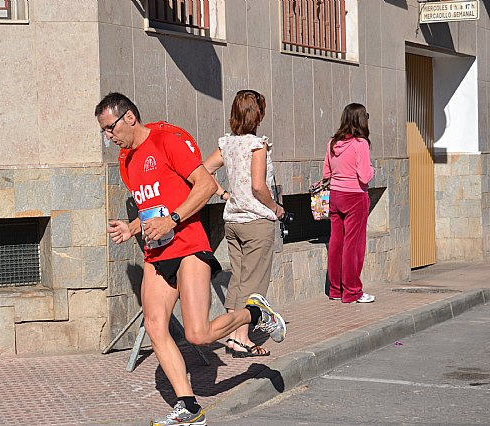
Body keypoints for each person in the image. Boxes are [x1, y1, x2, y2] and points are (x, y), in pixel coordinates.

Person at [95, 92, 286, 426]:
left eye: (110, 128)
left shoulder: (168, 138)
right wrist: (132, 227)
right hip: (157, 251)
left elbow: (206, 185)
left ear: (128, 117)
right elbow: (153, 206)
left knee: (197, 334)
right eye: (103, 132)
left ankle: (255, 314)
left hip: (187, 245)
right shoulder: (126, 161)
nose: (108, 137)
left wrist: (172, 220)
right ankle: (189, 407)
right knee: (156, 325)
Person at [203, 89, 284, 358]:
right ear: (257, 114)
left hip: (233, 221)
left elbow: (203, 170)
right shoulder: (257, 144)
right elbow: (259, 186)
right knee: (254, 284)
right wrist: (276, 208)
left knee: (238, 280)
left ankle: (232, 336)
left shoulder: (227, 144)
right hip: (256, 221)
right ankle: (241, 338)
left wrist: (224, 194)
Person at [323, 103, 375, 304]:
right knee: (354, 245)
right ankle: (352, 291)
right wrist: (372, 170)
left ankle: (335, 289)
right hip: (355, 197)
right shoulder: (360, 144)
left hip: (335, 195)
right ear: (361, 119)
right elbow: (364, 176)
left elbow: (327, 172)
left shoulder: (332, 143)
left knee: (336, 242)